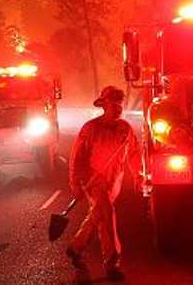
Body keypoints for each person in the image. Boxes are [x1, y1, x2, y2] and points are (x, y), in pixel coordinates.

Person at [67, 85, 141, 282]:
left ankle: (75, 247)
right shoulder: (90, 128)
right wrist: (75, 183)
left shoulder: (125, 129)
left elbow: (134, 153)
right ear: (104, 105)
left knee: (98, 215)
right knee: (107, 214)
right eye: (113, 103)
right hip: (93, 180)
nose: (118, 107)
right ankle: (112, 263)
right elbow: (77, 158)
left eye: (120, 103)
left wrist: (138, 175)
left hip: (114, 180)